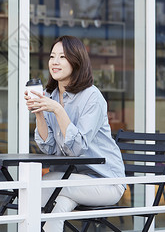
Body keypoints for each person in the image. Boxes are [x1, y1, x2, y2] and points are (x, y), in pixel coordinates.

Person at [24, 35, 125, 232]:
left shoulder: (92, 97)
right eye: (52, 56)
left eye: (62, 57)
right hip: (72, 181)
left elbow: (76, 148)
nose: (55, 61)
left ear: (76, 62)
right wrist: (40, 114)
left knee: (36, 187)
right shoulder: (51, 95)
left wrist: (58, 110)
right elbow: (49, 148)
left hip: (106, 182)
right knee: (58, 202)